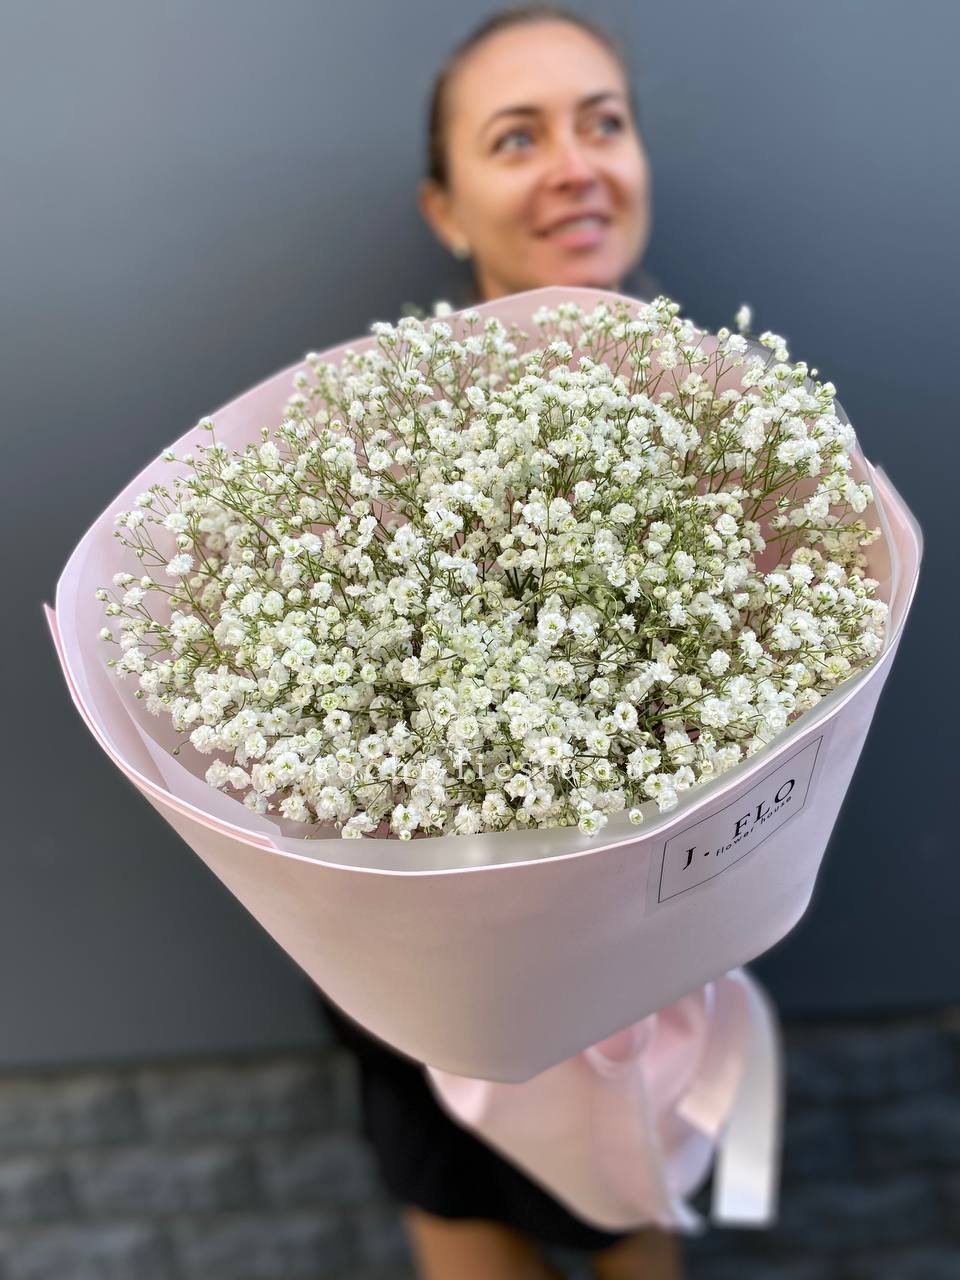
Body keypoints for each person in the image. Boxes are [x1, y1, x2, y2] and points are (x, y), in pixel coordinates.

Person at [317, 7, 682, 1278]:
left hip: (655, 970)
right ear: (447, 209)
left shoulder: (732, 425)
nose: (575, 166)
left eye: (604, 123)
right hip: (433, 1000)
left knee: (644, 1238)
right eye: (517, 138)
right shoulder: (361, 449)